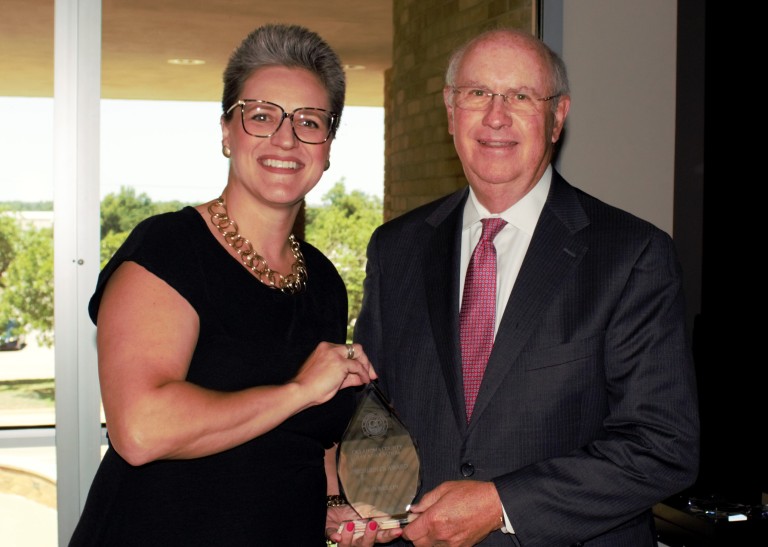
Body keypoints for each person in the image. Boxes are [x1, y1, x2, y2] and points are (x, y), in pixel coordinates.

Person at [353, 27, 700, 547]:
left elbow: (662, 446)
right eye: (477, 94)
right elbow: (374, 408)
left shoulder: (631, 255)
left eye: (520, 96)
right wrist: (358, 498)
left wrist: (501, 504)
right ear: (451, 111)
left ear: (557, 116)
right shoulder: (396, 248)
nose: (496, 116)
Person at [69, 23, 386, 547]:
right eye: (261, 116)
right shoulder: (169, 248)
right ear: (225, 132)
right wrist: (298, 391)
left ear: (327, 147)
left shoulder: (324, 280)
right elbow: (140, 429)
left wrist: (334, 503)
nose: (285, 138)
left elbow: (313, 438)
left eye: (309, 122)